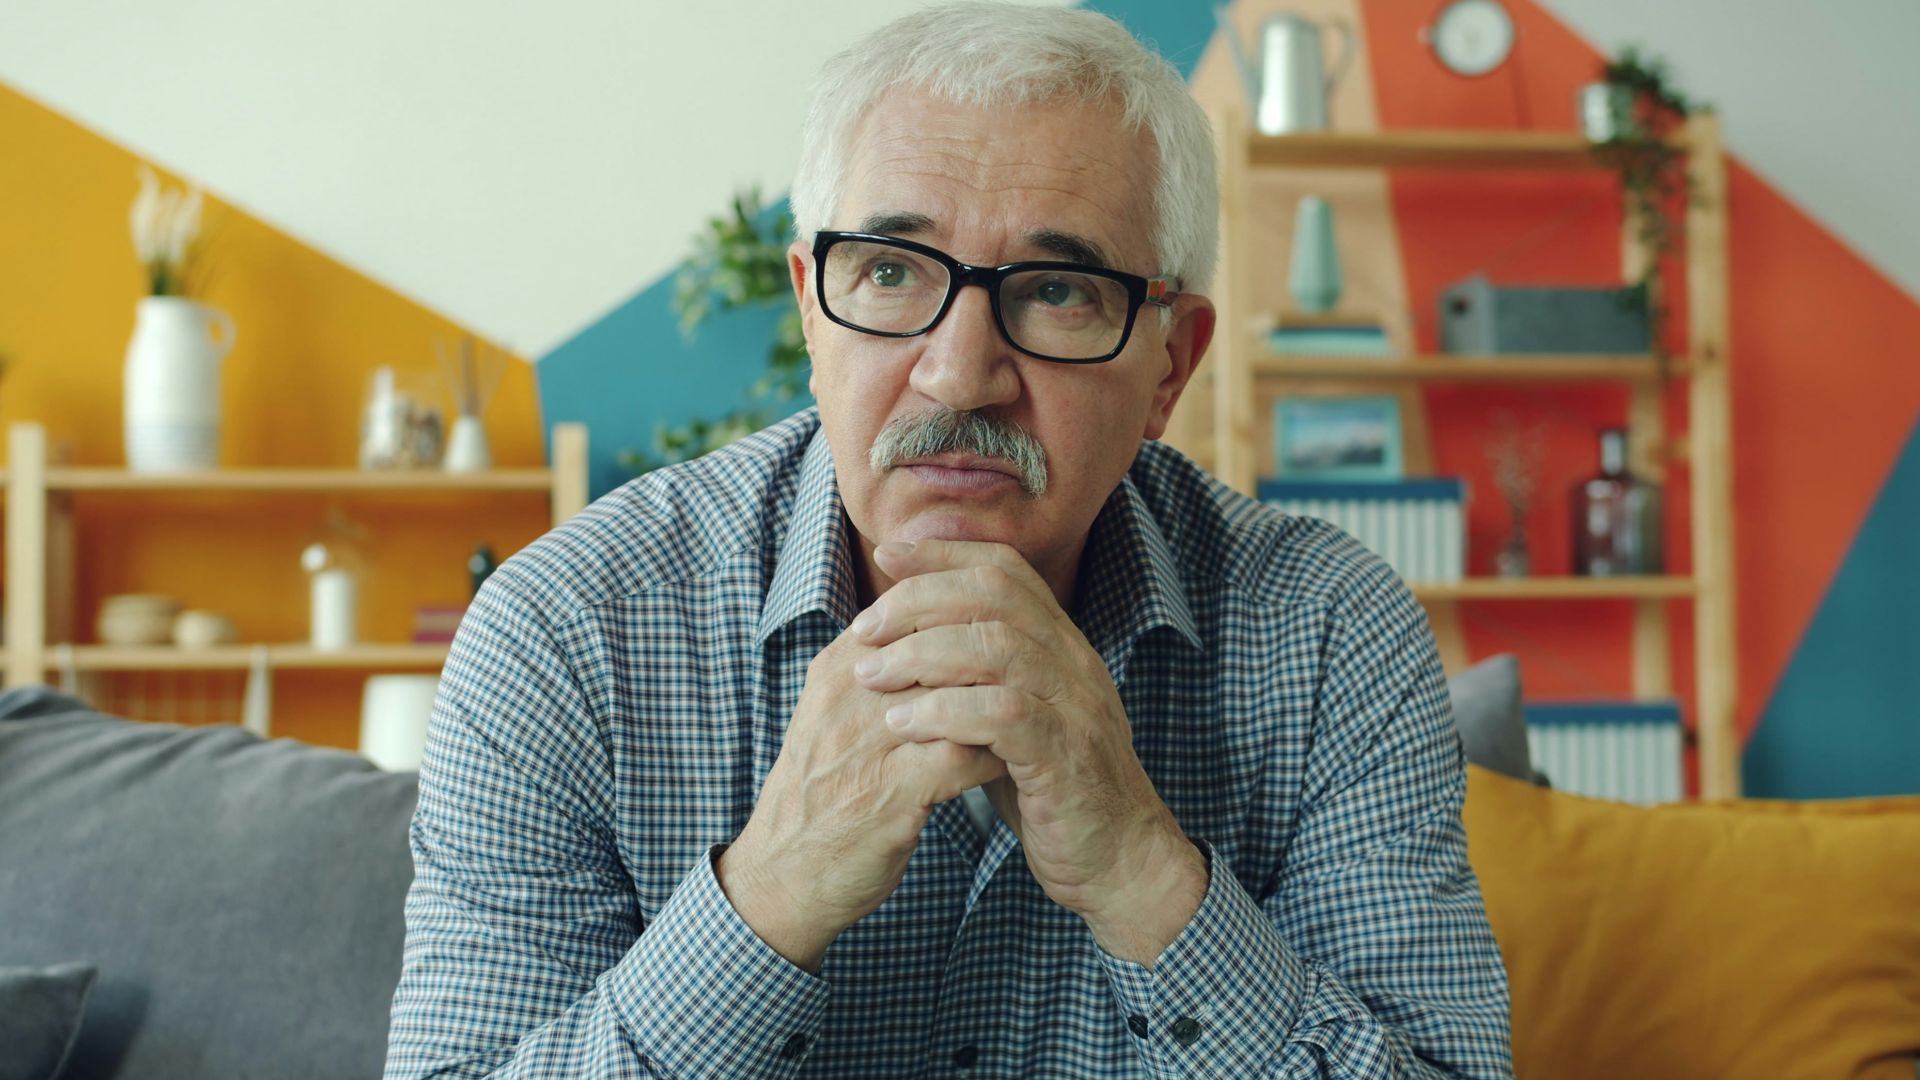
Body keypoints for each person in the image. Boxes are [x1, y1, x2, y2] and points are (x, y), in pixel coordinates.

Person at [384, 4, 1514, 1077]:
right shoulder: (568, 632)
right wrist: (769, 897)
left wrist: (1142, 873)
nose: (959, 373)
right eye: (889, 273)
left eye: (1059, 290)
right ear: (811, 311)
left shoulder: (1328, 634)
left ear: (1169, 365)